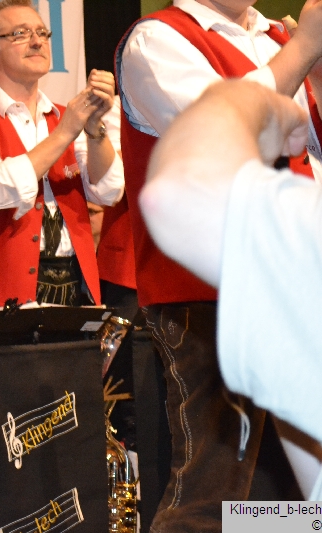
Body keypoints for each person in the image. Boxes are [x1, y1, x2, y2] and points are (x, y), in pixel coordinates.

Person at [117, 0, 322, 529]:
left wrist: (315, 69)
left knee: (290, 496)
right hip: (206, 294)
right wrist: (303, 47)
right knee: (213, 487)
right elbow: (215, 132)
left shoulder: (276, 39)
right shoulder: (156, 39)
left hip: (292, 285)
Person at [0, 0, 123, 324]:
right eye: (20, 34)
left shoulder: (65, 116)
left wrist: (94, 129)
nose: (37, 42)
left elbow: (109, 190)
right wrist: (65, 131)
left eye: (42, 33)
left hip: (74, 289)